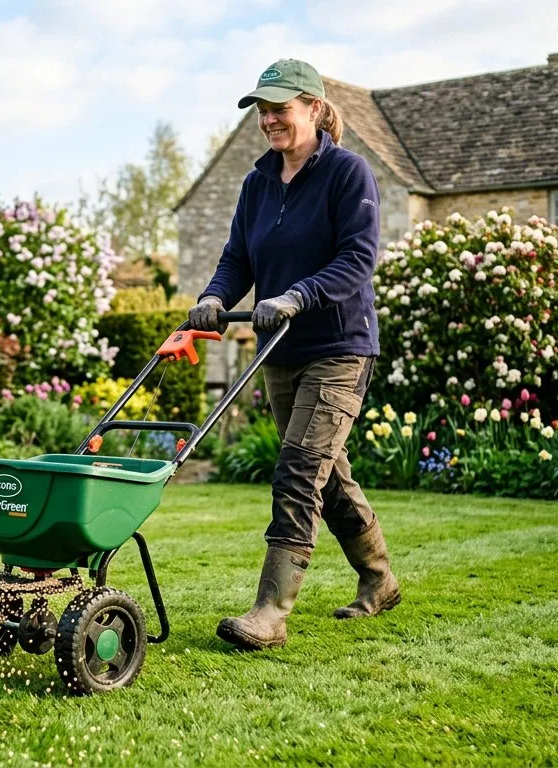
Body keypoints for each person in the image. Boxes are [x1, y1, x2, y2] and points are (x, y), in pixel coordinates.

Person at [188, 59, 400, 650]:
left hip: (338, 346)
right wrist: (213, 297)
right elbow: (238, 260)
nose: (269, 119)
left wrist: (298, 294)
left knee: (299, 469)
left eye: (280, 107)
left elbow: (359, 259)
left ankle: (270, 612)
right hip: (279, 351)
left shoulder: (347, 174)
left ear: (312, 106)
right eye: (262, 109)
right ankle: (379, 578)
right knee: (325, 474)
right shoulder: (257, 185)